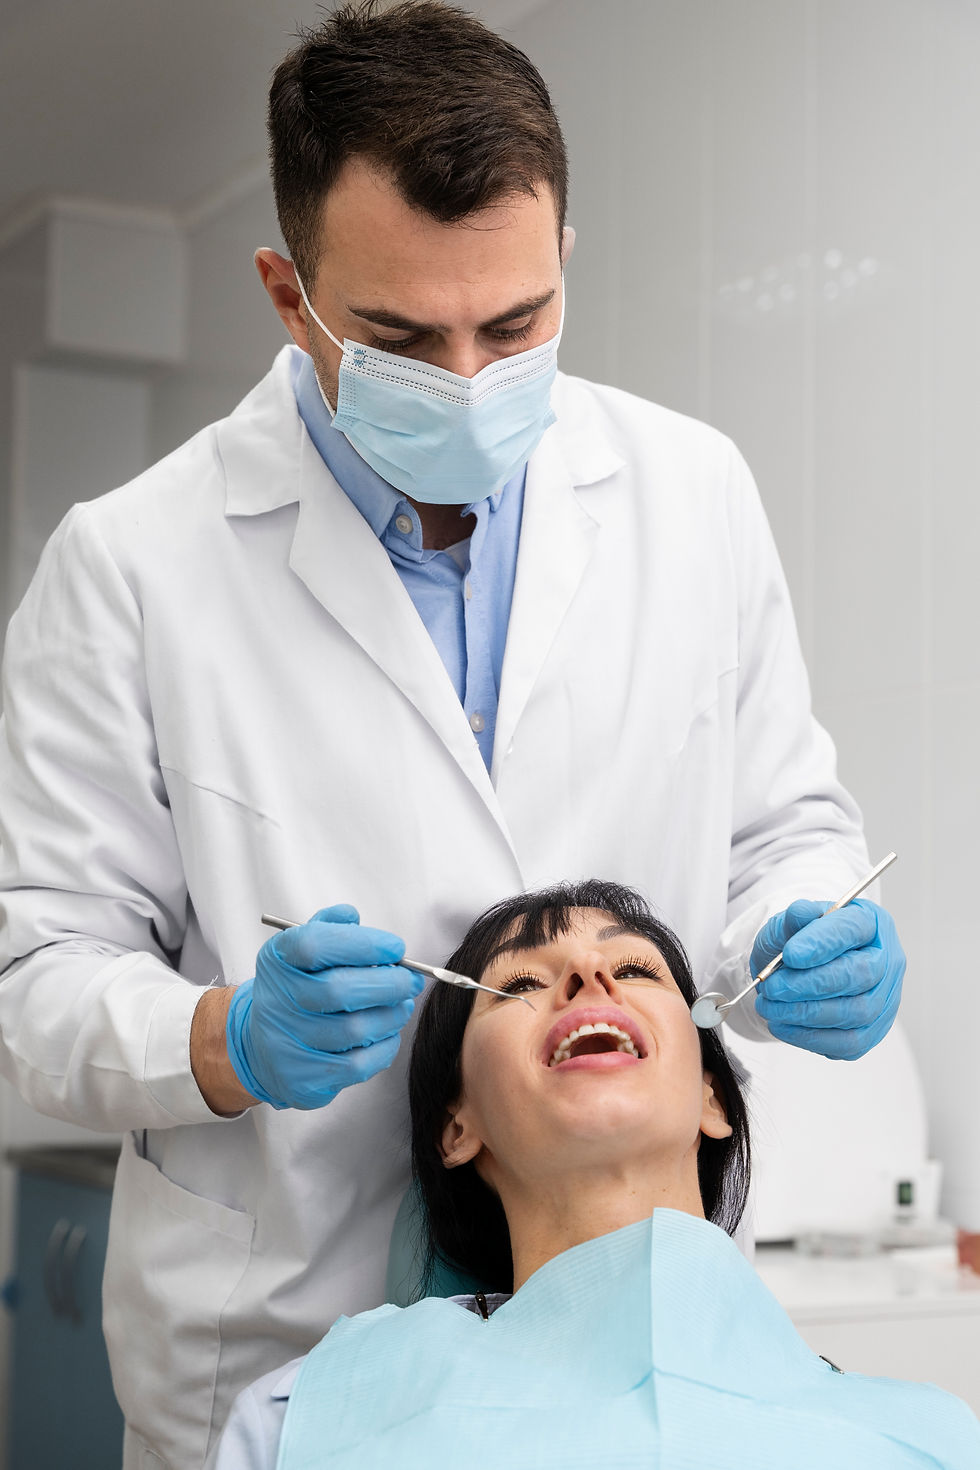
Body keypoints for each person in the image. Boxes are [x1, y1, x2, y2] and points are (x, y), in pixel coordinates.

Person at [0, 4, 907, 1465]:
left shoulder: (693, 492)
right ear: (288, 294)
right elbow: (32, 974)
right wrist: (223, 1036)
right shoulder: (134, 566)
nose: (476, 379)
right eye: (406, 338)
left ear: (563, 260)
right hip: (280, 1337)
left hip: (619, 1341)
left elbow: (783, 826)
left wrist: (805, 924)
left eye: (519, 322)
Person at [211, 881, 978, 1469]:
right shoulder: (303, 1420)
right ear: (457, 1127)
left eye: (637, 967)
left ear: (713, 1095)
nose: (585, 971)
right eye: (516, 987)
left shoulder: (927, 1441)